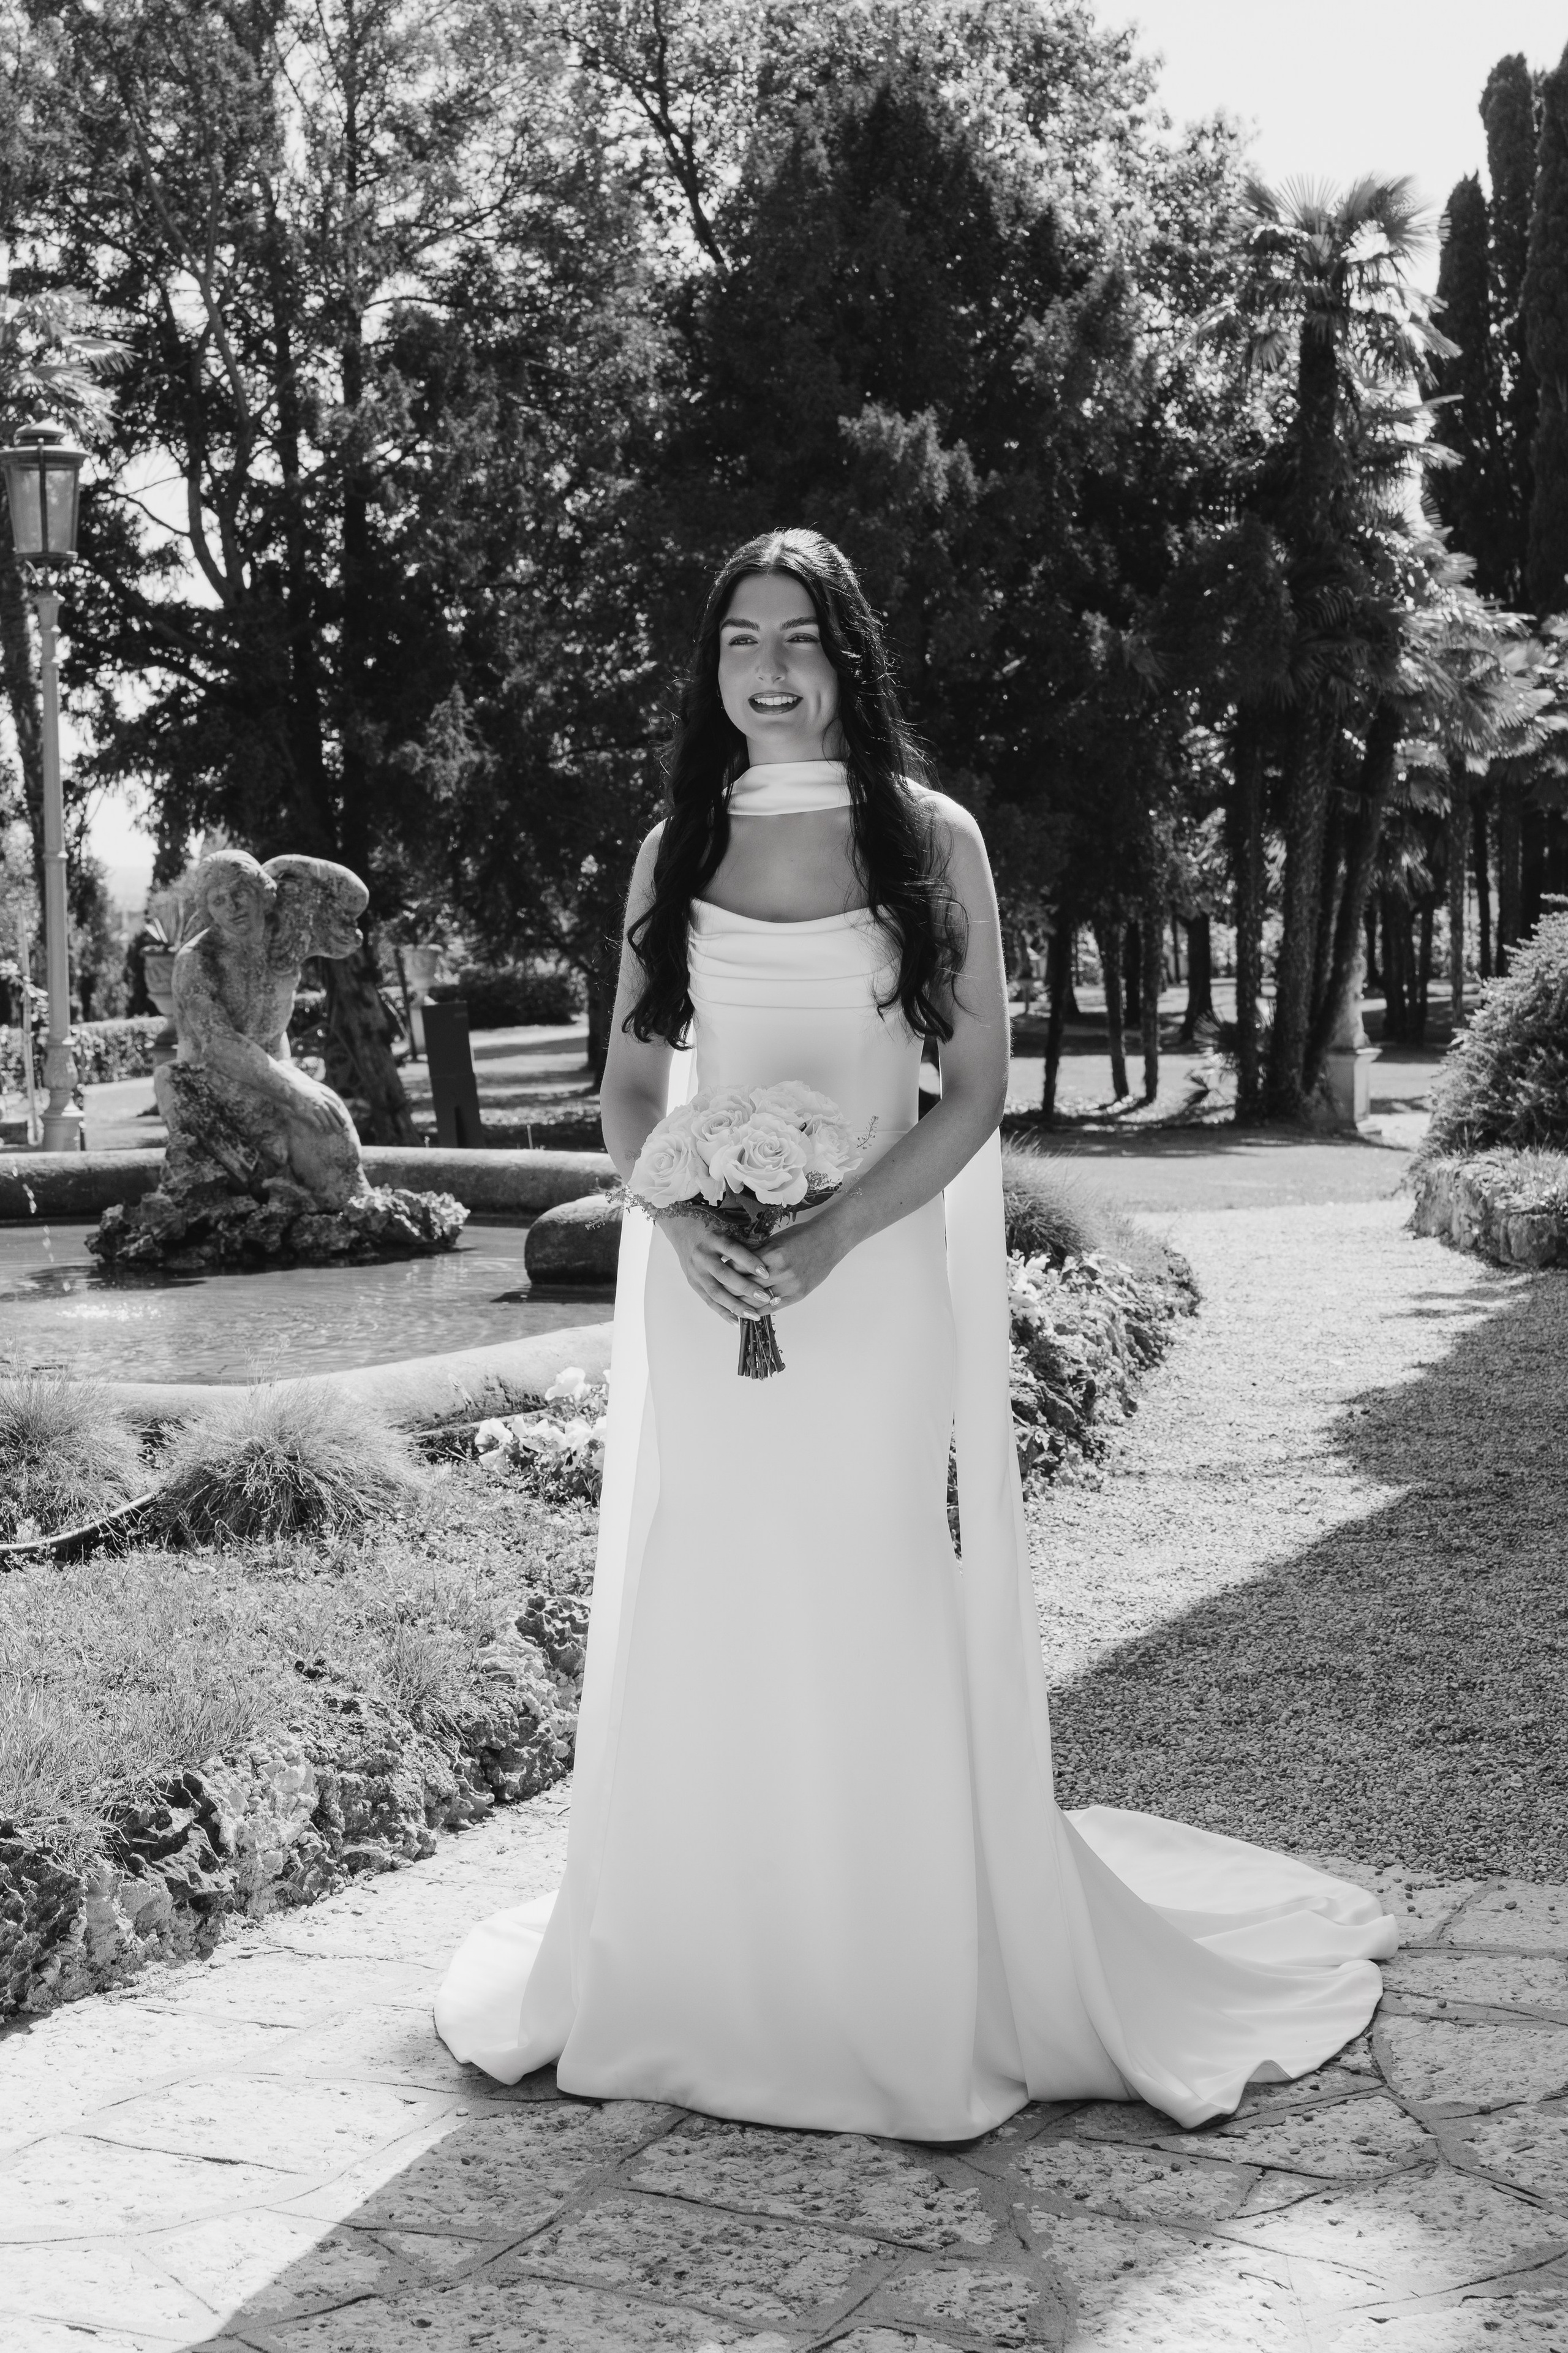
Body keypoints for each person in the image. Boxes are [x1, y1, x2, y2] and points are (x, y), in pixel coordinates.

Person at [434, 527, 1395, 2139]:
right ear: (713, 666)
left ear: (849, 656)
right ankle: (706, 1978)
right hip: (710, 1291)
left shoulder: (929, 840)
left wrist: (827, 1230)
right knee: (713, 1595)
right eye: (739, 637)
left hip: (868, 1289)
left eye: (798, 636)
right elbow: (624, 1081)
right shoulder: (677, 845)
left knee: (868, 1588)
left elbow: (974, 1096)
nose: (768, 667)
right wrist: (678, 1216)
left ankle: (884, 1992)